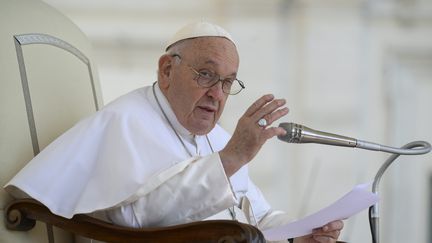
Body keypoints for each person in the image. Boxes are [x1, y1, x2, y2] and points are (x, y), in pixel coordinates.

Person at [5, 22, 343, 242]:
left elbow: (258, 214)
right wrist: (229, 160)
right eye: (207, 75)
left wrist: (299, 233)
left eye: (226, 82)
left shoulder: (219, 138)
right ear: (167, 70)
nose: (217, 94)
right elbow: (134, 219)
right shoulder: (123, 122)